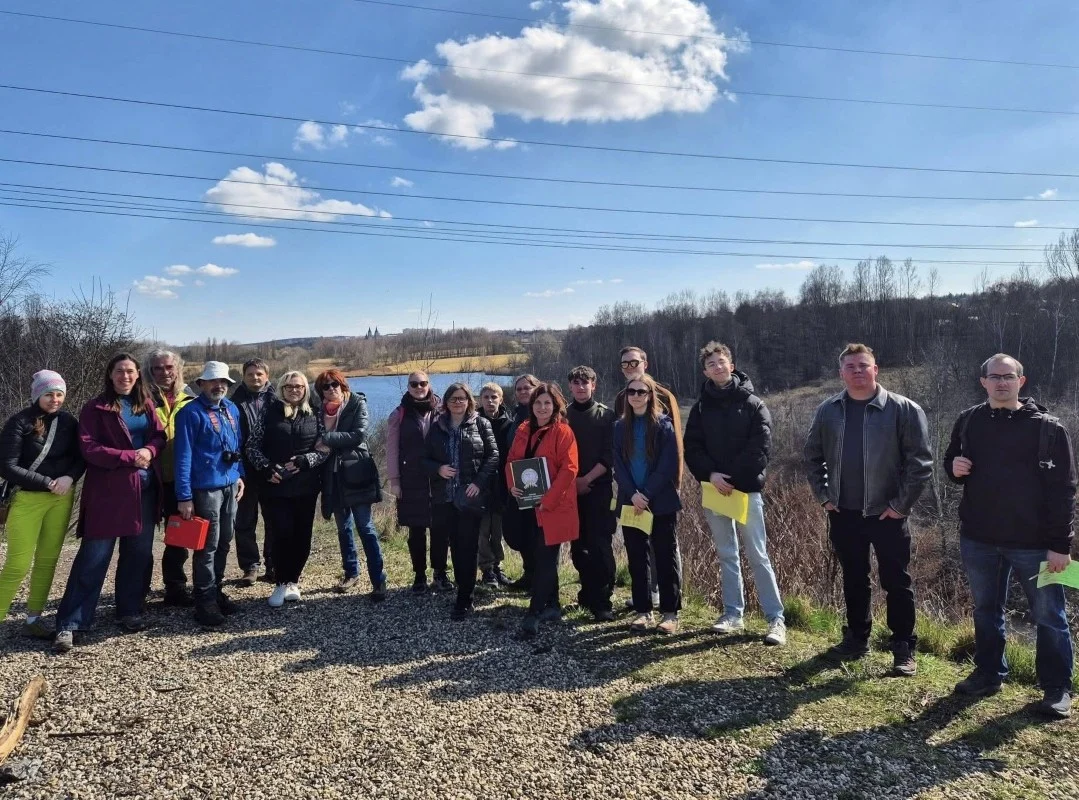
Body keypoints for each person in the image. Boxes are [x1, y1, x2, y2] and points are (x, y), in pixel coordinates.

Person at [944, 354, 1075, 718]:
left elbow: (1064, 491)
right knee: (987, 610)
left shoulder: (1048, 428)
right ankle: (989, 673)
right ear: (983, 381)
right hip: (979, 538)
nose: (1002, 382)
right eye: (995, 377)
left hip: (1035, 544)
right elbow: (953, 463)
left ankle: (1056, 688)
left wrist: (1060, 546)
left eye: (1009, 377)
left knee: (1049, 615)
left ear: (1022, 381)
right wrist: (953, 469)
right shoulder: (969, 420)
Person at [804, 343, 932, 676]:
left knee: (897, 581)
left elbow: (920, 464)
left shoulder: (904, 410)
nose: (857, 371)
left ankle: (903, 646)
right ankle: (857, 638)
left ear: (876, 370)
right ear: (841, 373)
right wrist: (824, 496)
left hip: (887, 514)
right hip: (843, 512)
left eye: (863, 365)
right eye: (851, 366)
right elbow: (811, 457)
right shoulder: (828, 410)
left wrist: (900, 505)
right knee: (854, 578)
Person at [54, 354, 167, 653]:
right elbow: (90, 449)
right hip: (108, 494)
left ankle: (128, 611)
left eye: (130, 371)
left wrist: (151, 451)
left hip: (144, 494)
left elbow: (159, 436)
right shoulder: (96, 407)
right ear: (110, 374)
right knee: (94, 556)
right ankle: (71, 622)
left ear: (138, 375)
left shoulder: (146, 404)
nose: (125, 377)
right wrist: (131, 457)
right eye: (120, 371)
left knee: (138, 553)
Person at [684, 342, 786, 646]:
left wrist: (733, 479)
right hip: (714, 489)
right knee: (727, 554)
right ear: (705, 371)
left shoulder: (754, 403)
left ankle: (775, 620)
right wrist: (712, 475)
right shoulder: (701, 407)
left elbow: (760, 449)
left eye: (722, 361)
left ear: (732, 364)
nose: (717, 367)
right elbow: (693, 447)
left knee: (757, 555)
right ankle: (732, 614)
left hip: (745, 491)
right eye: (711, 364)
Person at [0, 370, 84, 637]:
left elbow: (80, 457)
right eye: (49, 394)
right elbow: (7, 466)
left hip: (61, 498)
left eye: (60, 394)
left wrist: (70, 477)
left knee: (47, 561)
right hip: (27, 499)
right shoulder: (19, 422)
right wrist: (48, 482)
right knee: (17, 565)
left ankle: (33, 620)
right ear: (37, 394)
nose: (55, 399)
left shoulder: (69, 423)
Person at [245, 370, 328, 608]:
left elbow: (325, 449)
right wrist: (266, 468)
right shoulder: (269, 412)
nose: (294, 390)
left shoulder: (315, 413)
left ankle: (294, 581)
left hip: (306, 486)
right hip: (275, 486)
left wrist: (307, 460)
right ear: (281, 389)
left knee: (302, 535)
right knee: (281, 533)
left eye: (299, 387)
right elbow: (252, 447)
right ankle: (280, 581)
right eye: (289, 386)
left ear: (305, 389)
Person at [173, 361, 245, 627]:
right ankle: (204, 601)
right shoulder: (190, 413)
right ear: (201, 384)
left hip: (229, 484)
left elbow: (237, 446)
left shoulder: (231, 409)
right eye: (213, 382)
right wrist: (184, 496)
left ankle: (216, 591)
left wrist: (241, 476)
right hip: (204, 489)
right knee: (207, 546)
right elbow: (183, 456)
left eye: (224, 382)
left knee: (225, 541)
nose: (219, 386)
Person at [506, 382, 579, 637]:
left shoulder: (563, 432)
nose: (542, 407)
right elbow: (512, 461)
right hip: (527, 505)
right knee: (539, 556)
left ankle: (534, 612)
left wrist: (547, 500)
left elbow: (569, 470)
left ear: (556, 405)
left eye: (547, 403)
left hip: (553, 507)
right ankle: (554, 605)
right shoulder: (524, 429)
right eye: (538, 403)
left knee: (546, 558)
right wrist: (513, 484)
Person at [613, 374, 683, 635]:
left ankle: (670, 613)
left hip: (660, 501)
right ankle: (643, 612)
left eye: (642, 392)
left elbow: (668, 465)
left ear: (651, 395)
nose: (636, 396)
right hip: (631, 503)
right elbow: (618, 465)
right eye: (631, 392)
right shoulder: (620, 427)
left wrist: (647, 493)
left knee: (665, 556)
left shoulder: (664, 425)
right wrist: (633, 494)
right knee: (636, 558)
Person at [423, 383, 499, 620]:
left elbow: (493, 456)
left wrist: (479, 483)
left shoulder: (481, 424)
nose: (458, 402)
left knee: (467, 547)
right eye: (453, 398)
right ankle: (461, 587)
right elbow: (424, 459)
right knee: (454, 546)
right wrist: (438, 469)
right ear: (445, 402)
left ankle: (465, 598)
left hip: (470, 498)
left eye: (462, 398)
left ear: (469, 401)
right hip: (444, 498)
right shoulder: (436, 427)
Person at [314, 370, 387, 600]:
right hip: (332, 476)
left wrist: (326, 438)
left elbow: (358, 435)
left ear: (343, 385)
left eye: (335, 383)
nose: (331, 388)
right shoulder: (317, 411)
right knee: (343, 528)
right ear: (320, 391)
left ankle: (378, 580)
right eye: (325, 386)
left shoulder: (357, 403)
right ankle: (351, 573)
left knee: (365, 527)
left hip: (356, 473)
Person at [386, 371, 450, 593]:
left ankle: (440, 573)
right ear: (408, 386)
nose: (419, 387)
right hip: (411, 479)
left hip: (439, 478)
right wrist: (395, 480)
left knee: (441, 529)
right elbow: (392, 450)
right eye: (414, 384)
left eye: (423, 383)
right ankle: (420, 575)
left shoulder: (442, 410)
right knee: (416, 531)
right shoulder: (399, 414)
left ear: (429, 384)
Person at [565, 366, 617, 622]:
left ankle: (603, 600)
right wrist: (573, 482)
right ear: (570, 386)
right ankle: (586, 592)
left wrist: (587, 479)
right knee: (578, 546)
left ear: (594, 385)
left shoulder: (607, 416)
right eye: (576, 383)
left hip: (599, 489)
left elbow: (611, 454)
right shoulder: (563, 415)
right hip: (570, 490)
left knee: (600, 545)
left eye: (585, 383)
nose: (580, 387)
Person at [146, 348, 196, 606]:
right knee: (140, 539)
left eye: (169, 368)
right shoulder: (141, 400)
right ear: (149, 371)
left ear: (178, 369)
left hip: (180, 480)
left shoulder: (190, 400)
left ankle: (175, 587)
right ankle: (137, 590)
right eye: (158, 368)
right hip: (148, 479)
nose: (164, 373)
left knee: (179, 536)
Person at [231, 359, 276, 585]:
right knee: (245, 521)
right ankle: (250, 566)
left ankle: (273, 564)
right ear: (244, 376)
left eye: (259, 374)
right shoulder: (233, 403)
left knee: (273, 519)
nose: (255, 378)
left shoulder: (278, 399)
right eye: (250, 374)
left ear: (267, 376)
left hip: (271, 470)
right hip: (246, 471)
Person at [502, 373, 542, 591]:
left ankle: (542, 579)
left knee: (540, 533)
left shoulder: (543, 413)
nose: (523, 391)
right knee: (521, 531)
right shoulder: (516, 416)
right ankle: (529, 573)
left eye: (528, 387)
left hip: (540, 484)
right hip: (518, 484)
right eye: (519, 389)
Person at [477, 382, 514, 587]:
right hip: (482, 483)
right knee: (483, 530)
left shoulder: (509, 424)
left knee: (498, 529)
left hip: (502, 484)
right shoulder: (473, 422)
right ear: (480, 400)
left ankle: (498, 566)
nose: (490, 401)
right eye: (486, 397)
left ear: (501, 399)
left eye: (494, 397)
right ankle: (486, 569)